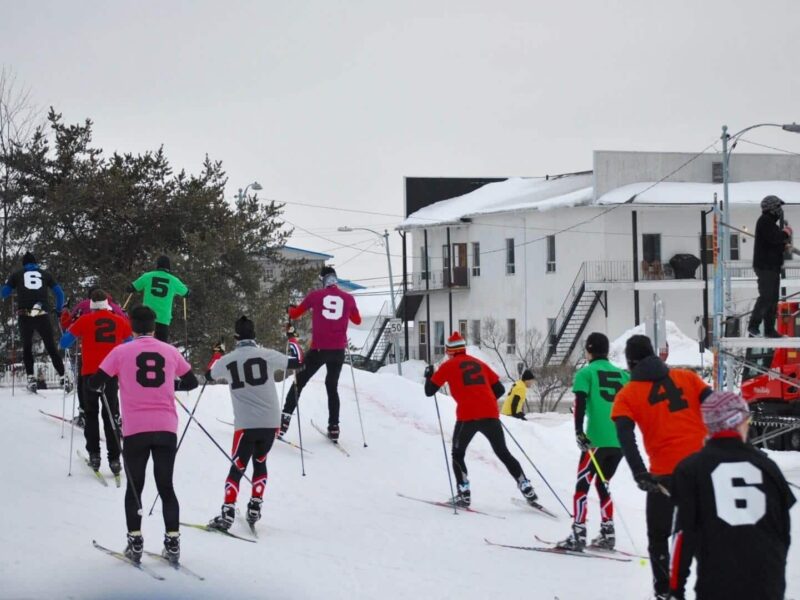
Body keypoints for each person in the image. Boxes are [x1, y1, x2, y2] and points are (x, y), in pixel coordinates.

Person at [89, 306, 198, 565]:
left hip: (136, 429)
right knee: (166, 487)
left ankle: (135, 542)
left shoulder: (121, 351)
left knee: (135, 488)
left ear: (132, 327)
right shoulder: (170, 351)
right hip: (166, 428)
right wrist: (171, 386)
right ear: (154, 327)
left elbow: (95, 382)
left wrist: (111, 383)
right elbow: (192, 382)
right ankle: (172, 543)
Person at [610, 334, 711, 600]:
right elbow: (716, 407)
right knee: (705, 531)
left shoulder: (628, 394)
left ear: (630, 362)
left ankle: (665, 591)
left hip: (663, 475)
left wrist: (639, 472)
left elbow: (625, 436)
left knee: (659, 536)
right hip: (701, 469)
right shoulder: (687, 378)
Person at [669, 391, 795, 600]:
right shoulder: (768, 467)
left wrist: (675, 589)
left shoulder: (691, 469)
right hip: (767, 585)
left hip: (717, 585)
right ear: (738, 422)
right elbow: (783, 530)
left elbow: (682, 536)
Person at [205, 317, 303, 531]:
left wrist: (217, 353)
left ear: (236, 337)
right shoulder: (266, 354)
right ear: (254, 337)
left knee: (238, 467)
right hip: (270, 422)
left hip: (245, 424)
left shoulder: (228, 360)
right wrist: (292, 338)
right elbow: (297, 360)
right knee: (260, 460)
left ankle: (227, 513)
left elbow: (209, 374)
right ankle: (255, 507)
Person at [423, 332, 538, 507]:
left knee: (457, 454)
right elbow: (499, 389)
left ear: (451, 351)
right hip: (490, 413)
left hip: (467, 415)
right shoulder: (479, 363)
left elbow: (429, 391)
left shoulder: (448, 365)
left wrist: (428, 376)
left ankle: (464, 494)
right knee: (503, 453)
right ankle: (526, 487)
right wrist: (483, 397)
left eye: (447, 352)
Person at [557, 332, 629, 551]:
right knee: (603, 483)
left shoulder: (586, 373)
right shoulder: (623, 375)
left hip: (595, 440)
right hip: (619, 441)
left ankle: (578, 533)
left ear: (588, 350)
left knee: (582, 486)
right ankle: (608, 532)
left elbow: (579, 404)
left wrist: (579, 432)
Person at [280, 266, 361, 441]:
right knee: (332, 386)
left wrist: (289, 310)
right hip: (338, 350)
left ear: (322, 279)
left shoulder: (315, 296)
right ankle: (334, 427)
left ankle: (284, 420)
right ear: (335, 278)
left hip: (319, 349)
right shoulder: (348, 298)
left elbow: (295, 314)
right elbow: (357, 320)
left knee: (299, 382)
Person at [60, 290, 132, 474]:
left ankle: (94, 455)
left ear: (91, 305)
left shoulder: (84, 320)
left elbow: (64, 343)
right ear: (107, 304)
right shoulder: (119, 321)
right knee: (111, 416)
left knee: (91, 415)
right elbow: (130, 342)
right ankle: (115, 459)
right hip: (111, 374)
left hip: (90, 373)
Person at [60, 286, 127, 428]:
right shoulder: (115, 308)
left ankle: (84, 414)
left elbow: (67, 327)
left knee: (84, 388)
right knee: (111, 396)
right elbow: (128, 332)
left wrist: (64, 312)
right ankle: (116, 418)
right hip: (111, 366)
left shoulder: (83, 307)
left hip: (90, 363)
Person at [1, 252, 68, 392]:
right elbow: (60, 293)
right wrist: (59, 309)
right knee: (51, 347)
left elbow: (5, 293)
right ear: (35, 263)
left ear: (23, 264)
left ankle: (31, 378)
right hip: (42, 313)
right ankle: (63, 377)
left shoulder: (17, 274)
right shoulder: (45, 274)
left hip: (24, 315)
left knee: (27, 347)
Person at [748, 195, 792, 338]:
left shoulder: (769, 224)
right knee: (766, 297)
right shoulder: (765, 221)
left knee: (773, 299)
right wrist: (786, 233)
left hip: (772, 266)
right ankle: (753, 325)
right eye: (778, 207)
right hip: (765, 266)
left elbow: (772, 243)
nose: (780, 210)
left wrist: (783, 246)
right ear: (772, 208)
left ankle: (769, 329)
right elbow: (775, 238)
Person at [129, 255, 189, 343]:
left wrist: (131, 288)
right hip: (163, 318)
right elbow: (186, 293)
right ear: (168, 267)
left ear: (157, 265)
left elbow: (132, 287)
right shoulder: (173, 280)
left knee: (143, 343)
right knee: (161, 345)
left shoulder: (148, 276)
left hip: (147, 317)